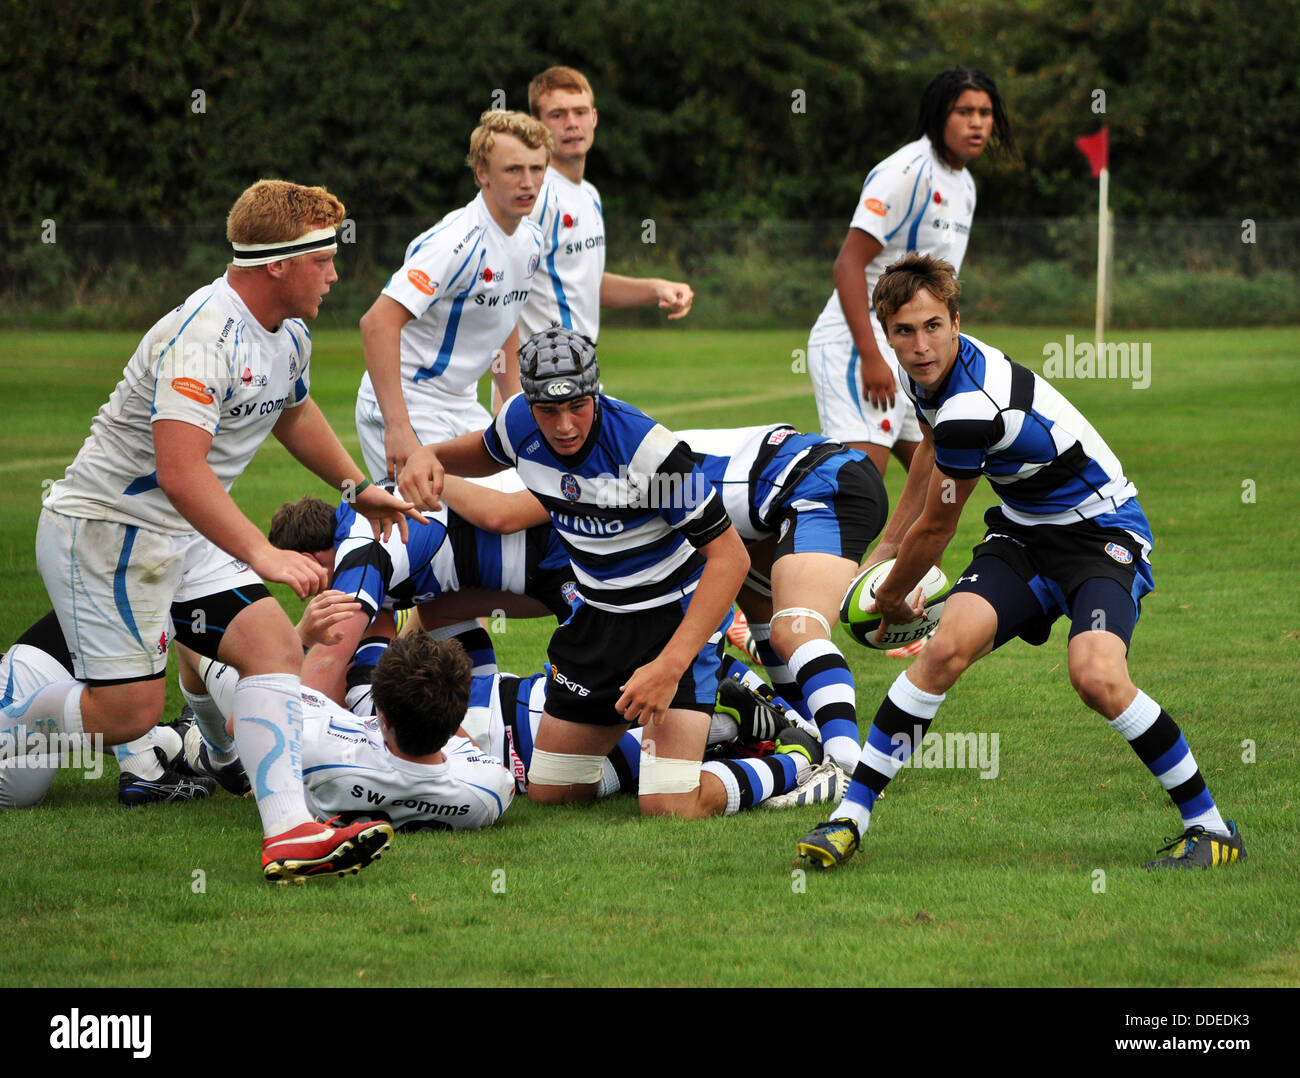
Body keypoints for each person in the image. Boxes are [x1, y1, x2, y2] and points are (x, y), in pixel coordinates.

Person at [15, 179, 423, 882]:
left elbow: (292, 413)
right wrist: (264, 552)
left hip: (178, 535)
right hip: (110, 533)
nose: (334, 272)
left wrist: (358, 488)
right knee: (131, 712)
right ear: (278, 265)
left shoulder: (287, 333)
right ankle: (16, 722)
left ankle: (290, 833)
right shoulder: (203, 334)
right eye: (323, 259)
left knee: (271, 646)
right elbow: (180, 471)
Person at [796, 254, 1245, 871]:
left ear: (956, 321)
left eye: (932, 326)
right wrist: (888, 547)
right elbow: (927, 450)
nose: (920, 345)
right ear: (888, 334)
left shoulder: (972, 405)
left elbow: (941, 525)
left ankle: (1212, 829)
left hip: (1100, 535)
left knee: (1096, 675)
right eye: (904, 331)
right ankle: (849, 820)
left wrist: (894, 594)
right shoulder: (925, 378)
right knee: (945, 650)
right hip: (1024, 535)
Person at [399, 327, 830, 819]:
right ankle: (708, 734)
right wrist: (426, 456)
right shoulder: (519, 419)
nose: (563, 425)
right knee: (555, 793)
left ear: (596, 392)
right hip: (597, 618)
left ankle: (797, 757)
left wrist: (668, 668)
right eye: (549, 411)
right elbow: (482, 450)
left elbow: (730, 558)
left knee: (669, 805)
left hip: (672, 617)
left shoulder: (648, 453)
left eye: (577, 406)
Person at [807, 66, 1017, 478]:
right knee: (858, 491)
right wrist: (871, 356)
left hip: (914, 350)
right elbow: (848, 264)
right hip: (860, 344)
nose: (977, 122)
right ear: (939, 115)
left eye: (985, 112)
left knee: (937, 488)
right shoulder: (906, 172)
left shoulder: (966, 186)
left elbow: (943, 284)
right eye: (964, 111)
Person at [356, 110, 549, 485]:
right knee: (445, 526)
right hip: (411, 403)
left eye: (537, 168)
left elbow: (505, 320)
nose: (528, 182)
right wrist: (398, 427)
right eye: (513, 170)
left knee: (517, 496)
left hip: (461, 404)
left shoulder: (532, 240)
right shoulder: (454, 242)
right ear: (482, 173)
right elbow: (377, 323)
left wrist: (512, 410)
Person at [265, 483, 574, 705]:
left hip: (563, 551)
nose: (301, 593)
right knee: (438, 611)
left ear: (309, 559)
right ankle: (479, 703)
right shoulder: (362, 537)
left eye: (293, 577)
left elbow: (324, 666)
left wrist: (288, 751)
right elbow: (362, 654)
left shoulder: (360, 551)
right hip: (539, 570)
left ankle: (492, 714)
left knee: (591, 693)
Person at [182, 635, 515, 833]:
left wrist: (299, 638)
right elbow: (466, 750)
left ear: (381, 715)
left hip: (312, 720)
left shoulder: (318, 747)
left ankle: (220, 757)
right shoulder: (489, 791)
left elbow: (241, 720)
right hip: (361, 735)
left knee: (192, 643)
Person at [519, 66, 693, 343]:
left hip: (582, 373)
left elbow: (586, 285)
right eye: (557, 115)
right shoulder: (534, 197)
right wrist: (511, 386)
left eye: (580, 112)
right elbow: (499, 294)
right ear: (536, 125)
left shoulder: (589, 195)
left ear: (594, 118)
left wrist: (655, 288)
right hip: (541, 379)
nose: (572, 123)